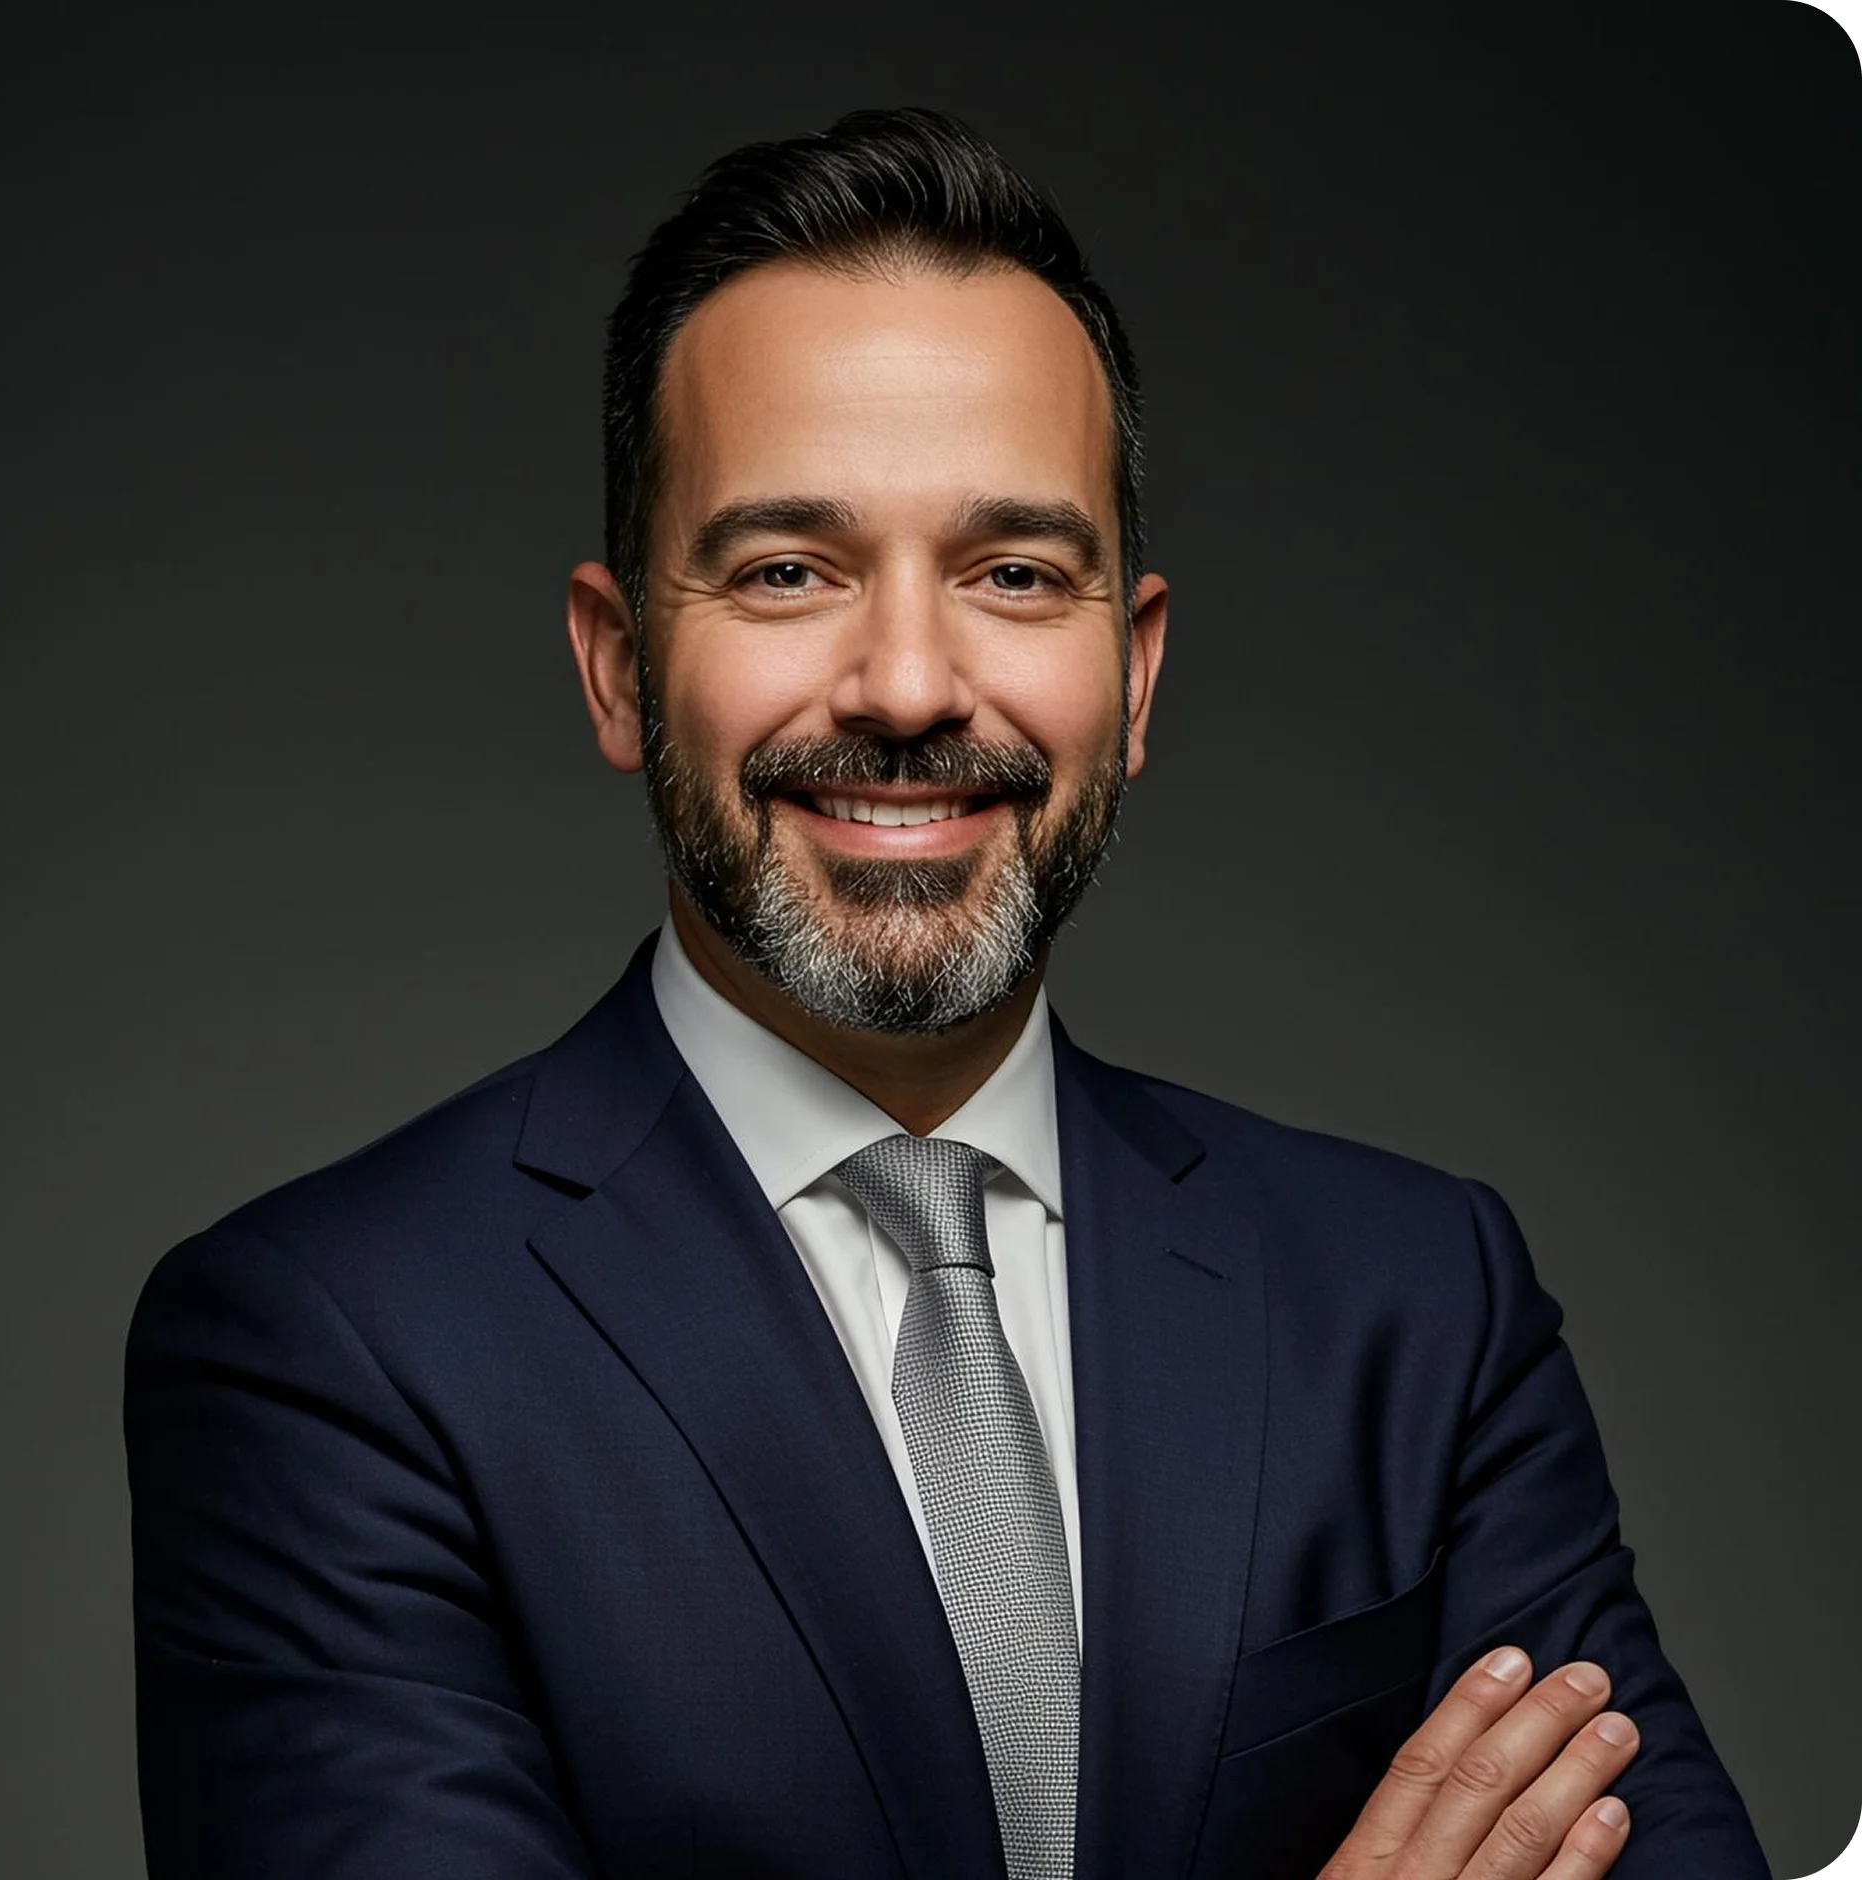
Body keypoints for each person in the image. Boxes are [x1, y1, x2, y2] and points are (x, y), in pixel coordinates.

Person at [123, 107, 1769, 1879]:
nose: (908, 683)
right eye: (786, 571)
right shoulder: (328, 1348)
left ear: (1131, 677)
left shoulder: (1418, 1305)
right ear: (618, 669)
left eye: (1011, 574)